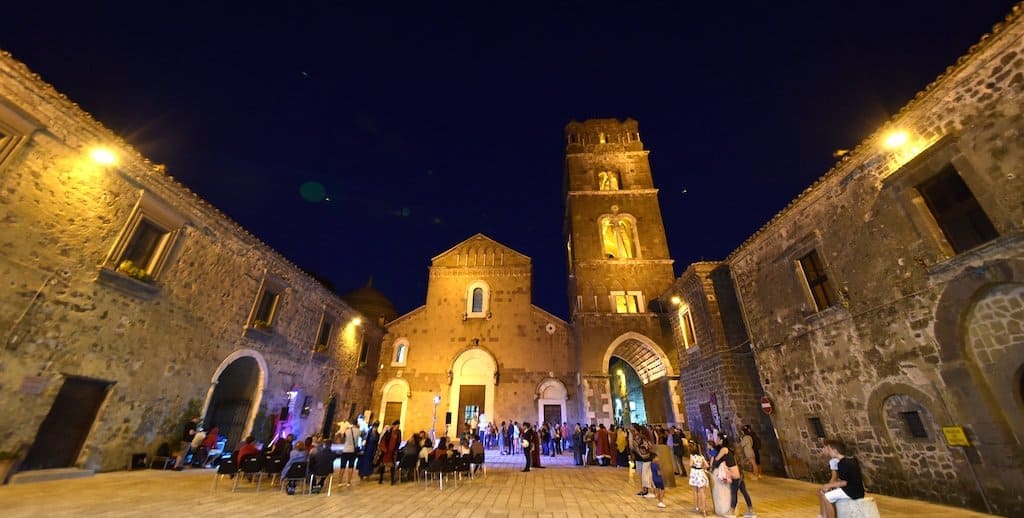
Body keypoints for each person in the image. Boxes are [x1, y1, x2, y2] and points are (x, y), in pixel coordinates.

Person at [818, 439, 865, 518]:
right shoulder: (851, 460)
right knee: (828, 495)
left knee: (827, 497)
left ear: (835, 451)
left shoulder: (842, 463)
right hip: (858, 490)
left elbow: (844, 482)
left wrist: (829, 486)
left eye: (830, 450)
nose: (829, 452)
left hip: (851, 491)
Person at [711, 434, 755, 517]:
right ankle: (751, 510)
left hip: (735, 474)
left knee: (733, 492)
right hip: (739, 472)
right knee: (744, 492)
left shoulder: (724, 449)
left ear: (721, 440)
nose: (716, 440)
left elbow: (717, 459)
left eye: (718, 439)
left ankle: (731, 511)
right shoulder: (729, 449)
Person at [688, 440, 711, 516]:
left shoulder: (692, 456)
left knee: (695, 492)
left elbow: (690, 465)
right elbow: (707, 465)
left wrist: (695, 465)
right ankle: (704, 510)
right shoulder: (701, 456)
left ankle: (696, 507)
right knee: (703, 493)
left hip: (695, 474)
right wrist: (701, 466)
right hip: (701, 474)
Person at [337, 420, 360, 487]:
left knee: (342, 467)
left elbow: (342, 439)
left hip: (345, 450)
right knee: (351, 466)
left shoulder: (347, 431)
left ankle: (340, 482)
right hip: (353, 451)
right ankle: (348, 482)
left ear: (352, 424)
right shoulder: (358, 431)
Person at [379, 420, 402, 485]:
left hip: (393, 451)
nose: (398, 426)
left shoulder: (398, 432)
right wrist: (384, 449)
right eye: (397, 425)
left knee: (392, 466)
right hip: (386, 451)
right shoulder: (389, 431)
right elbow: (383, 439)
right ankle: (381, 479)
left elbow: (399, 441)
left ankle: (392, 480)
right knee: (382, 465)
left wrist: (396, 448)